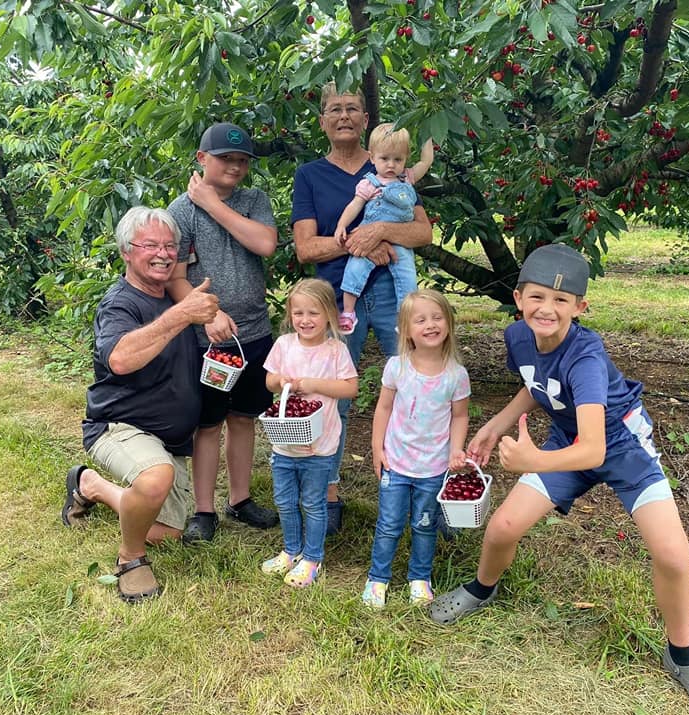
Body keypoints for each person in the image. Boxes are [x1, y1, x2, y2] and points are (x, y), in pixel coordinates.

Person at [426, 244, 689, 715]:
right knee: (503, 528)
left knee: (673, 555)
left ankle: (683, 654)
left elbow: (594, 449)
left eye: (561, 300)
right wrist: (495, 425)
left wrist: (531, 459)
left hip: (620, 446)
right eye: (536, 297)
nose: (546, 309)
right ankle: (481, 589)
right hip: (567, 441)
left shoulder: (587, 357)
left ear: (580, 307)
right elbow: (537, 385)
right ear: (517, 297)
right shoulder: (518, 336)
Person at [291, 83, 433, 533]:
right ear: (322, 121)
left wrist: (383, 232)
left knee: (415, 388)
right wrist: (362, 243)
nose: (345, 116)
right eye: (335, 109)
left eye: (353, 107)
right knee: (333, 397)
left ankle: (421, 490)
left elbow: (422, 233)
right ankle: (327, 494)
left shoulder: (393, 167)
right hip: (338, 301)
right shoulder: (311, 175)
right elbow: (306, 248)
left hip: (393, 295)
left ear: (367, 120)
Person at [60, 206, 220, 603]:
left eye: (171, 245)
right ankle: (130, 559)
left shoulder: (173, 294)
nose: (164, 253)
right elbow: (120, 358)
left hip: (168, 439)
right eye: (151, 245)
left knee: (167, 532)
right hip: (118, 426)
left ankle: (90, 485)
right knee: (154, 480)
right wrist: (181, 315)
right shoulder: (120, 304)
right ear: (126, 252)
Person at [167, 122, 280, 542]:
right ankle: (203, 509)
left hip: (253, 331)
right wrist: (206, 314)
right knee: (209, 423)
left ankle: (240, 499)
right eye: (224, 158)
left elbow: (265, 244)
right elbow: (176, 277)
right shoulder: (180, 210)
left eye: (241, 160)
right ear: (202, 159)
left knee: (244, 417)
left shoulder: (253, 200)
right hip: (207, 339)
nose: (234, 166)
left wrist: (212, 204)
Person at [362, 289, 470, 608]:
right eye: (420, 320)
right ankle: (377, 579)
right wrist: (377, 446)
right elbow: (383, 409)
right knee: (389, 524)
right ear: (407, 330)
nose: (430, 325)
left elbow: (460, 416)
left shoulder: (456, 375)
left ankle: (419, 578)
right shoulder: (397, 367)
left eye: (437, 317)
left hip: (433, 469)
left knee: (424, 525)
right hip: (395, 464)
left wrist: (456, 450)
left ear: (448, 323)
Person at [261, 279, 358, 588]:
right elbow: (269, 381)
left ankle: (312, 558)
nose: (305, 320)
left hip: (319, 446)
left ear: (329, 314)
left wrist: (313, 384)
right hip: (285, 442)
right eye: (298, 313)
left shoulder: (335, 350)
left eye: (313, 313)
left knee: (313, 503)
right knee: (285, 501)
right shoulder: (284, 345)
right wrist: (280, 381)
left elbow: (350, 387)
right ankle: (291, 550)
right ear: (290, 314)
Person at [333, 123, 434, 334]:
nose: (391, 165)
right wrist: (341, 225)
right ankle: (348, 312)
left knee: (407, 278)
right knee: (354, 271)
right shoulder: (370, 183)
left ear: (406, 158)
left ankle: (405, 320)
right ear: (372, 158)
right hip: (368, 239)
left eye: (398, 159)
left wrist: (428, 130)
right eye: (384, 158)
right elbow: (354, 205)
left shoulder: (407, 178)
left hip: (400, 242)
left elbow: (426, 161)